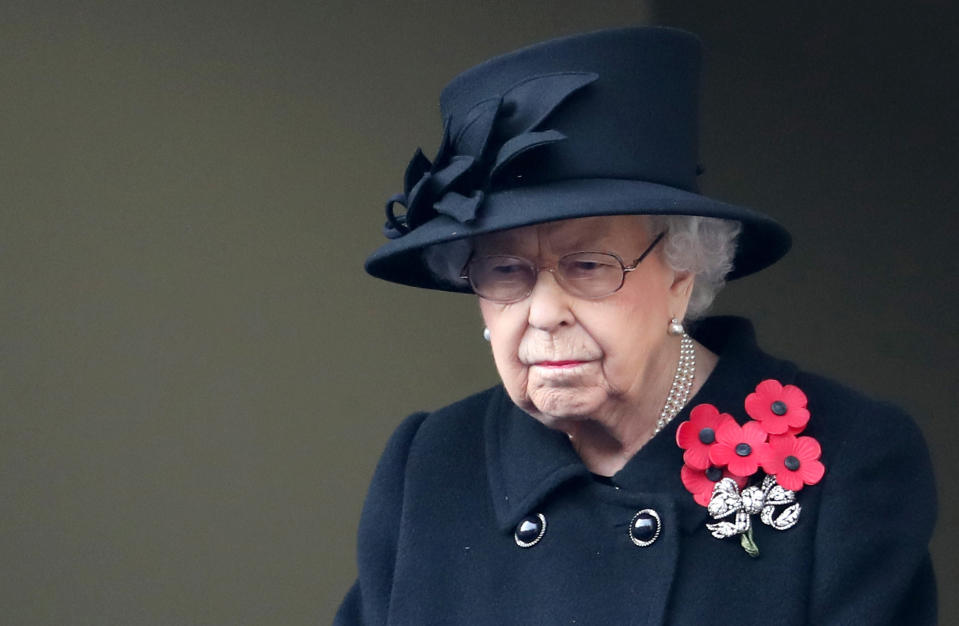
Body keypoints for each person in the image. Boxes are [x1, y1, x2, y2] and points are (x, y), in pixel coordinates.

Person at [335, 27, 936, 624]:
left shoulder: (851, 458)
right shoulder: (431, 465)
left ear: (683, 271)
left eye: (589, 266)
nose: (543, 314)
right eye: (505, 271)